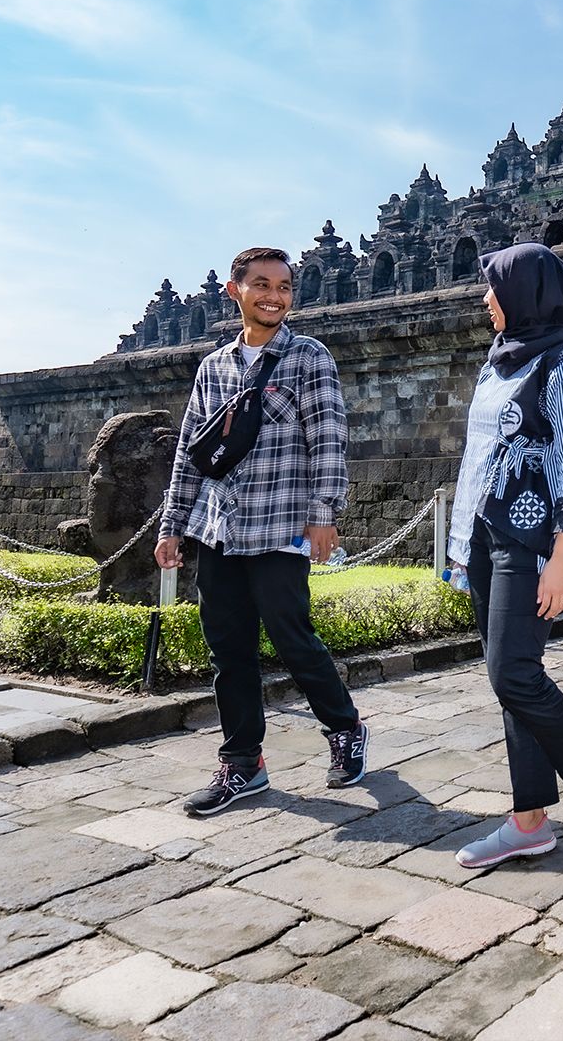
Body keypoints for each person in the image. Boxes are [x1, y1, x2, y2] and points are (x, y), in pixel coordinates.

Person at [155, 246, 368, 816]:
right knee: (229, 651)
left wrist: (324, 514)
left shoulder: (309, 358)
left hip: (280, 524)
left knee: (293, 637)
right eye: (262, 285)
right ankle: (243, 762)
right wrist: (173, 523)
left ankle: (344, 727)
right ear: (235, 291)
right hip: (219, 527)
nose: (274, 296)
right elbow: (191, 453)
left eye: (285, 287)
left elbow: (329, 438)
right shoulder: (214, 367)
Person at [448, 242, 563, 867]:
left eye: (493, 287)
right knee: (511, 683)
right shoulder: (496, 360)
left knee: (513, 673)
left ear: (525, 290)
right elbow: (476, 454)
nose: (485, 299)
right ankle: (529, 819)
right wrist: (456, 544)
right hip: (482, 536)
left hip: (531, 538)